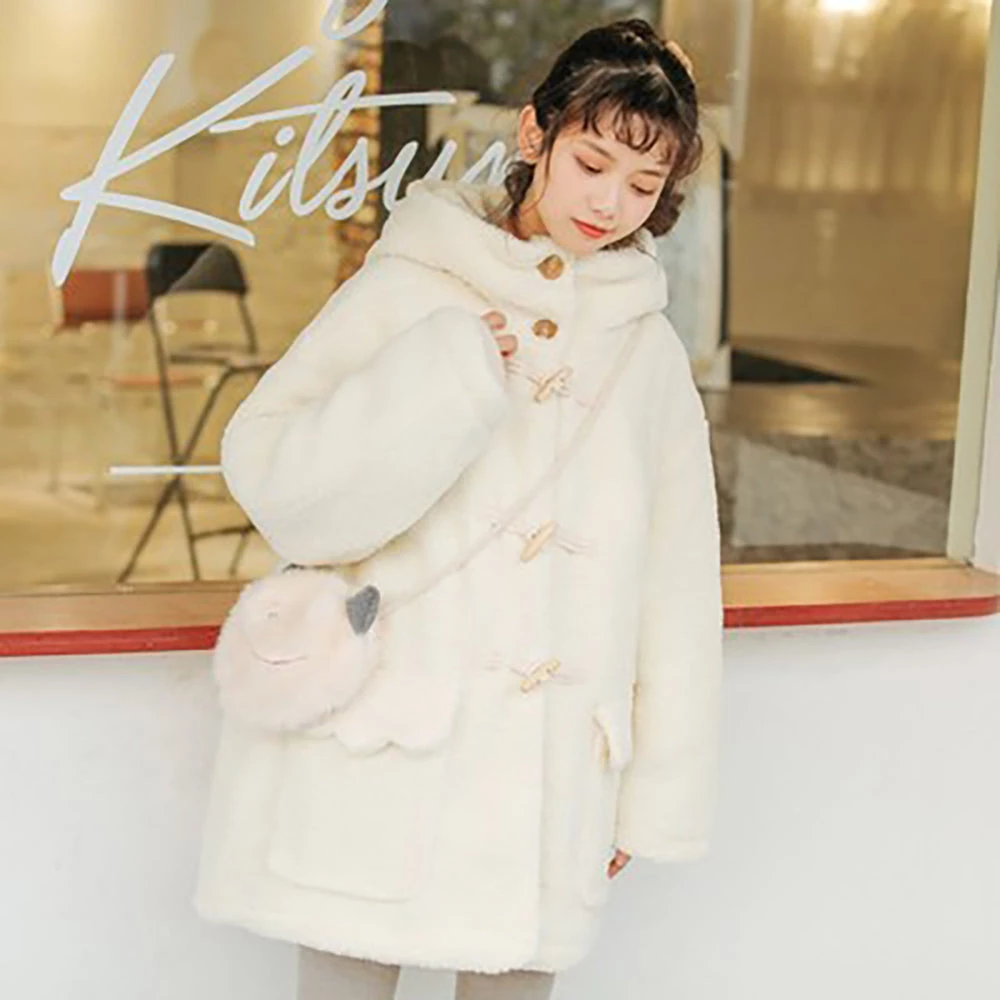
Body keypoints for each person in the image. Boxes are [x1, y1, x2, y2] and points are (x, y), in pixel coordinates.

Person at [194, 18, 722, 1000]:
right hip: (383, 746)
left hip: (547, 781)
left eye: (643, 185)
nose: (608, 203)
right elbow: (274, 480)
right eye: (591, 164)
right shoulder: (409, 287)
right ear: (534, 135)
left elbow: (677, 584)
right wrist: (441, 378)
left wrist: (650, 794)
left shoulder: (644, 352)